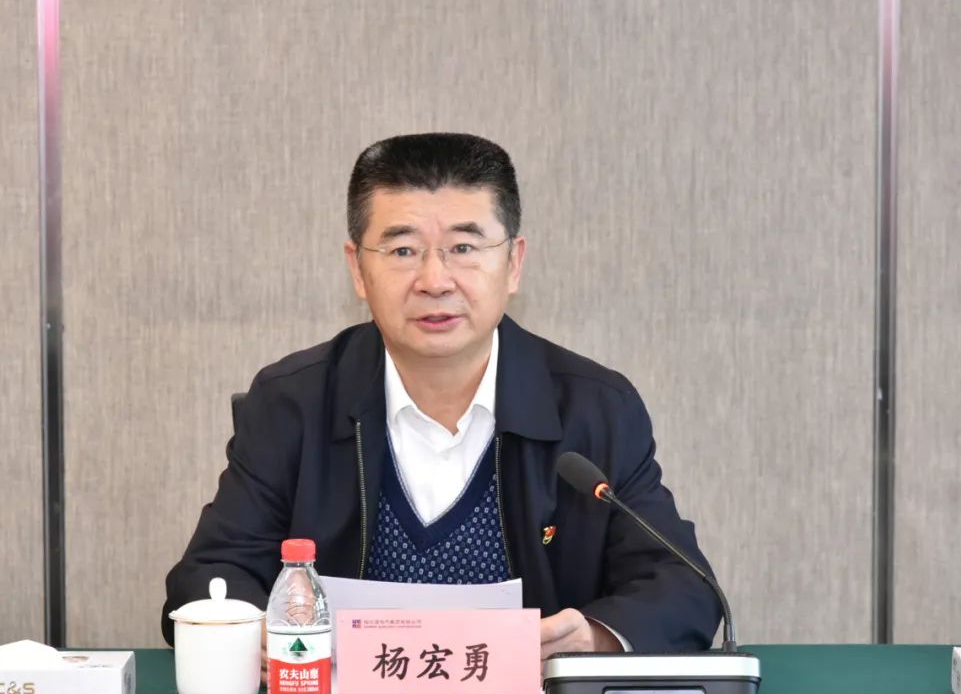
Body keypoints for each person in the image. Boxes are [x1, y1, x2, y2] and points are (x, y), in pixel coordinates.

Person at [162, 133, 721, 664]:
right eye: (403, 249)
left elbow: (682, 586)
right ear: (358, 268)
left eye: (463, 247)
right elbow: (210, 576)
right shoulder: (293, 403)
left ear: (514, 263)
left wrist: (594, 637)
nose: (434, 280)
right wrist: (257, 633)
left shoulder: (594, 408)